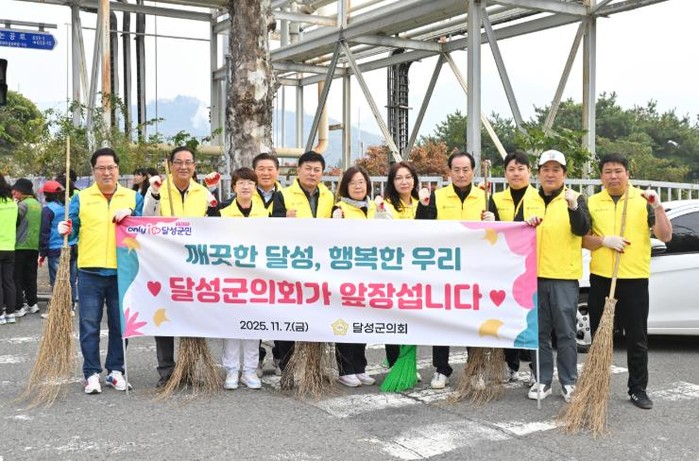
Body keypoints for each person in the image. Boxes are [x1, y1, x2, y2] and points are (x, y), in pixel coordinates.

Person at [583, 153, 672, 410]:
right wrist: (603, 241)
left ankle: (638, 389)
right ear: (601, 176)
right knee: (600, 336)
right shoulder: (592, 202)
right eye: (608, 171)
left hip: (634, 279)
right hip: (601, 277)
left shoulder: (643, 200)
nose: (613, 176)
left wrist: (658, 207)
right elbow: (584, 240)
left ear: (627, 174)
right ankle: (596, 386)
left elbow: (665, 236)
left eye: (618, 171)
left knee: (636, 337)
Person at [58, 147, 144, 394]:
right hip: (89, 270)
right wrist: (65, 229)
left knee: (120, 324)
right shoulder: (81, 198)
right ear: (94, 171)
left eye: (111, 167)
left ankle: (116, 371)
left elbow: (144, 225)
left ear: (118, 169)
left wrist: (132, 213)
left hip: (123, 271)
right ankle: (91, 373)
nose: (107, 172)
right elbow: (73, 227)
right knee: (89, 325)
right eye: (101, 168)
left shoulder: (132, 197)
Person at [142, 146, 220, 387]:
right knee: (162, 315)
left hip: (193, 265)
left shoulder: (202, 192)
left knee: (191, 316)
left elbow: (214, 226)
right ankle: (166, 371)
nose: (183, 167)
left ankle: (188, 368)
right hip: (162, 264)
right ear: (170, 164)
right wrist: (155, 194)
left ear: (194, 166)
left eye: (188, 162)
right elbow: (146, 218)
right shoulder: (158, 189)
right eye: (179, 162)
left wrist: (214, 198)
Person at [415, 151, 492, 389]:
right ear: (449, 172)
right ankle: (441, 369)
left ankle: (475, 369)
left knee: (474, 320)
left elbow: (496, 235)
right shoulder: (437, 196)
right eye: (456, 170)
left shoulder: (485, 198)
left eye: (465, 170)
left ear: (473, 171)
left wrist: (493, 221)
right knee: (442, 320)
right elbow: (421, 228)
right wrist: (423, 206)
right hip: (444, 268)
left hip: (475, 269)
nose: (461, 174)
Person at [524, 149, 590, 402]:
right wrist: (525, 222)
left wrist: (573, 207)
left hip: (563, 276)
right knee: (538, 332)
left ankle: (568, 381)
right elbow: (515, 231)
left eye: (556, 170)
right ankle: (542, 380)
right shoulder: (530, 198)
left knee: (565, 333)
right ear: (538, 173)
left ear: (564, 174)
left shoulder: (576, 198)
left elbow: (583, 228)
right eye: (545, 169)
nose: (550, 174)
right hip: (533, 277)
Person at [271, 151, 335, 386]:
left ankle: (313, 368)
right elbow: (271, 226)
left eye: (317, 170)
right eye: (308, 168)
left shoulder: (328, 196)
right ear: (298, 170)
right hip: (291, 265)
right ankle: (287, 368)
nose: (312, 173)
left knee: (317, 317)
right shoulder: (283, 195)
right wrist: (283, 219)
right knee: (288, 317)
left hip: (320, 266)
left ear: (322, 173)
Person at [212, 168, 267, 390]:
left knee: (253, 325)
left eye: (250, 183)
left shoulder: (264, 214)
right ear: (233, 186)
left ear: (255, 187)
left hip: (256, 279)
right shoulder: (223, 213)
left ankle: (250, 370)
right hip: (230, 278)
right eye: (241, 183)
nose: (246, 187)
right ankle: (232, 370)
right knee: (231, 324)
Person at [489, 150, 539, 380]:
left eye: (521, 169)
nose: (516, 173)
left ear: (530, 171)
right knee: (507, 317)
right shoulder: (496, 199)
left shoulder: (539, 197)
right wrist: (491, 222)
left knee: (531, 320)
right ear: (505, 173)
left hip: (531, 268)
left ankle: (535, 369)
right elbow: (493, 234)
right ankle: (511, 365)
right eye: (511, 169)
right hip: (504, 269)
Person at [331, 166, 377, 387]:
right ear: (345, 187)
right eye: (353, 183)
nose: (358, 186)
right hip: (346, 274)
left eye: (361, 182)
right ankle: (345, 369)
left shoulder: (375, 207)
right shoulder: (340, 209)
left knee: (362, 322)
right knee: (344, 321)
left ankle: (360, 367)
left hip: (370, 274)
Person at [382, 161, 420, 370]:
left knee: (412, 317)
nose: (404, 182)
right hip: (393, 271)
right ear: (392, 182)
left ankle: (408, 363)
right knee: (392, 317)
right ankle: (394, 361)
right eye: (398, 178)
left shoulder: (422, 203)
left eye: (408, 177)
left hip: (417, 270)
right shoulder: (385, 206)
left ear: (414, 180)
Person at [38, 180, 78, 318]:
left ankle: (59, 308)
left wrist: (42, 253)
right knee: (71, 279)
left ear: (47, 195)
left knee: (57, 280)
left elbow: (44, 233)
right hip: (72, 247)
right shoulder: (70, 205)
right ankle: (70, 306)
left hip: (55, 249)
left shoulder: (48, 210)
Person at [11, 179, 41, 318]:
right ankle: (32, 304)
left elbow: (14, 222)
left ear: (22, 191)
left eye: (16, 191)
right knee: (31, 276)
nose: (14, 193)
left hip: (20, 245)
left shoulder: (22, 205)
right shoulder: (37, 204)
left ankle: (19, 307)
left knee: (16, 277)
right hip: (34, 245)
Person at [0, 174, 18, 325]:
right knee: (9, 281)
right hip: (10, 247)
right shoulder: (13, 203)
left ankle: (0, 314)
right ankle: (11, 313)